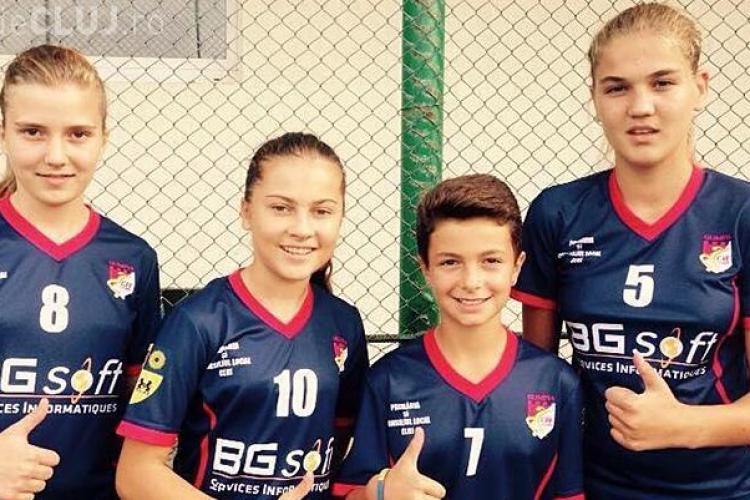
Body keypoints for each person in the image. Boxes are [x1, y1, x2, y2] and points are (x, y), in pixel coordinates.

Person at [512, 3, 750, 498]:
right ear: (594, 98)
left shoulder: (740, 213)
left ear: (700, 87)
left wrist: (684, 426)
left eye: (662, 83)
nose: (640, 106)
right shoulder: (559, 213)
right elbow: (538, 381)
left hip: (722, 489)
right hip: (591, 486)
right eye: (617, 87)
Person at [115, 132, 369, 500]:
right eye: (281, 208)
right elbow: (136, 475)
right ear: (246, 212)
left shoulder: (344, 324)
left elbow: (338, 447)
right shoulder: (198, 321)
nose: (302, 229)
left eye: (322, 211)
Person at [333, 174, 584, 500]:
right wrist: (379, 492)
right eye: (450, 262)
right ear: (425, 268)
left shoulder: (557, 383)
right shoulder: (389, 381)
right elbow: (350, 492)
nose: (471, 281)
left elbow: (568, 494)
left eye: (491, 261)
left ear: (517, 267)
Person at [0, 45, 161, 499]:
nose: (56, 155)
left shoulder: (133, 259)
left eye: (77, 134)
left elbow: (146, 409)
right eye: (33, 132)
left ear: (103, 138)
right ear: (4, 132)